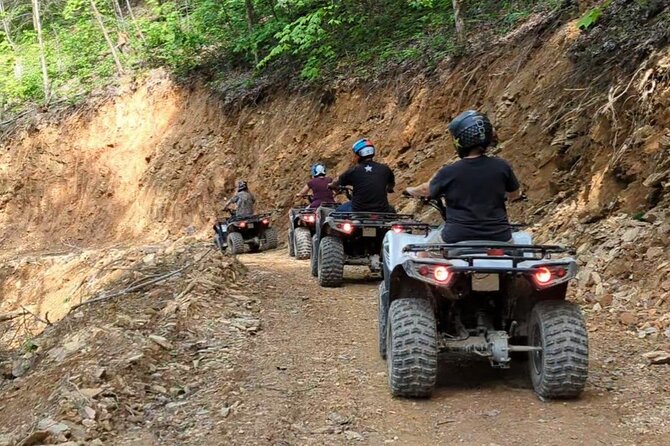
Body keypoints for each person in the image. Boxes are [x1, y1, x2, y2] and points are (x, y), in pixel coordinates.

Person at [405, 110, 522, 243]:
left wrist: (410, 190)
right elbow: (514, 195)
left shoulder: (450, 171)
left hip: (457, 236)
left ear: (459, 140)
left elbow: (427, 190)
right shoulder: (502, 166)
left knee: (423, 253)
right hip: (499, 237)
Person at [329, 139, 396, 213]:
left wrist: (331, 185)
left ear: (358, 155)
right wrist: (388, 189)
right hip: (382, 210)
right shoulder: (385, 169)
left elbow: (337, 182)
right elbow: (391, 184)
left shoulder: (353, 171)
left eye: (354, 154)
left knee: (335, 213)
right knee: (392, 211)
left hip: (359, 210)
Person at [216, 181, 256, 247]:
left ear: (239, 187)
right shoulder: (250, 195)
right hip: (250, 215)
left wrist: (224, 207)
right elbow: (254, 201)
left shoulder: (238, 195)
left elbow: (230, 201)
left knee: (229, 222)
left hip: (240, 216)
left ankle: (226, 241)